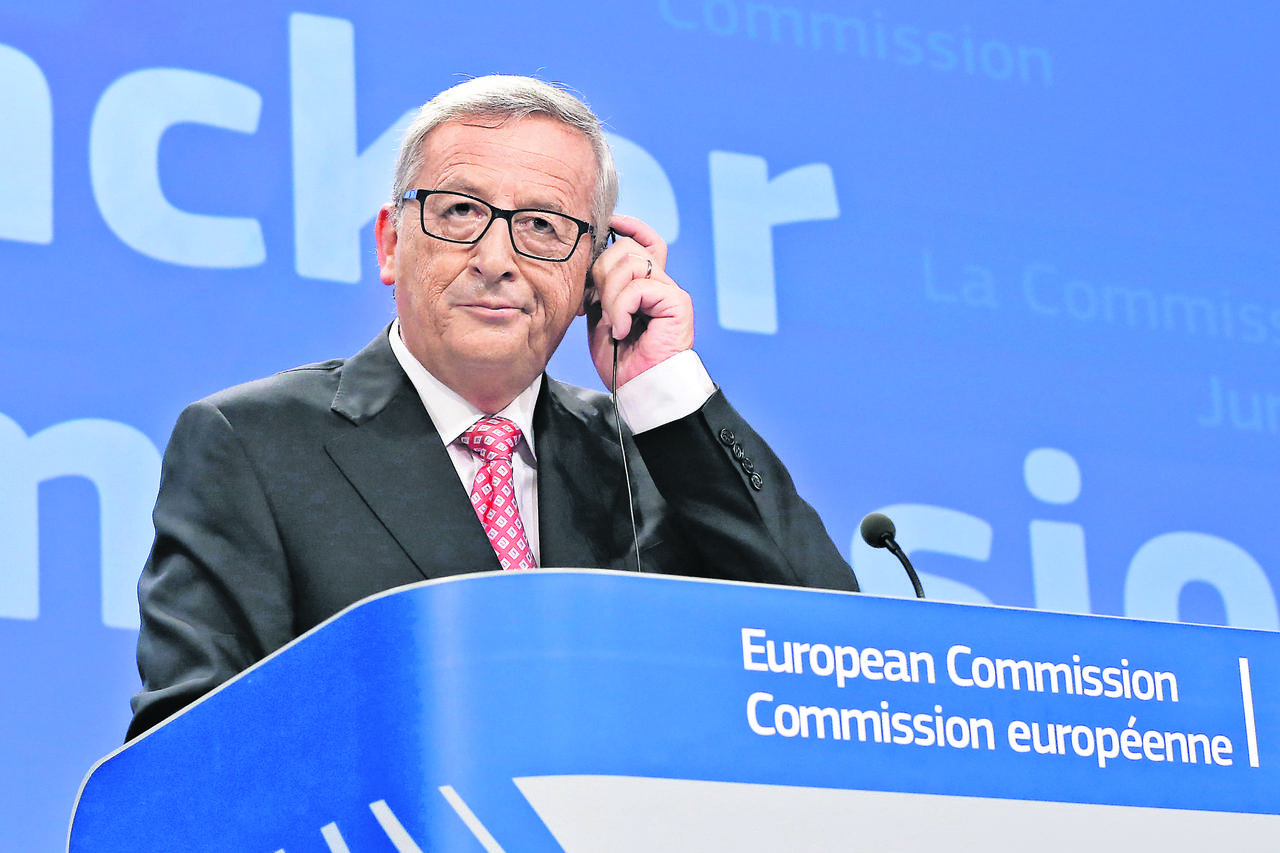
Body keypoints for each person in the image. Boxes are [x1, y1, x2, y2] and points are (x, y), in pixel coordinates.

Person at [128, 75, 858, 741]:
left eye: (543, 225)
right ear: (390, 244)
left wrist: (659, 381)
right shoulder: (254, 443)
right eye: (460, 211)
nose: (497, 259)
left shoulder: (655, 453)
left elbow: (836, 659)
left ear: (594, 270)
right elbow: (185, 750)